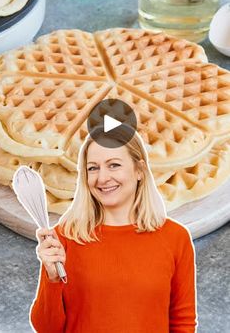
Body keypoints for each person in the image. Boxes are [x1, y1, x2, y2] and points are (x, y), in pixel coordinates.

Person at [30, 126, 197, 333]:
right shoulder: (64, 237)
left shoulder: (175, 238)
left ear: (139, 170)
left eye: (114, 165)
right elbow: (46, 329)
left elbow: (182, 323)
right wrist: (52, 278)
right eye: (93, 168)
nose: (102, 178)